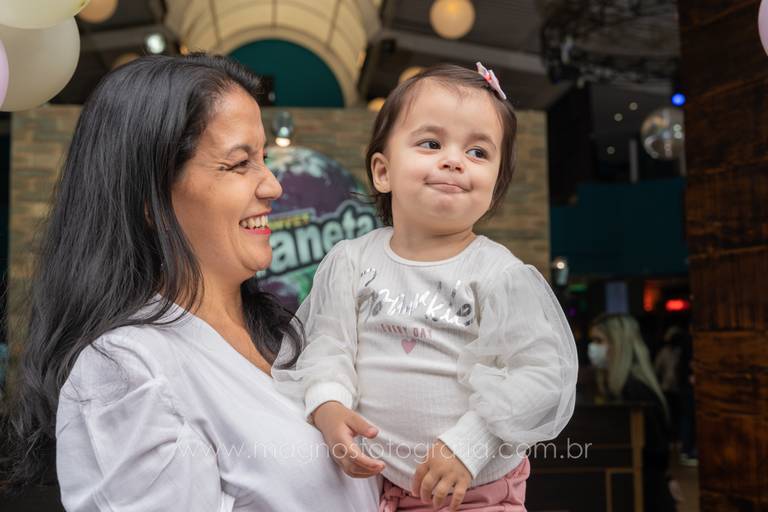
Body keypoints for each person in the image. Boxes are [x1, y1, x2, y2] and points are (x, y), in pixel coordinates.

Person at [2, 54, 379, 511]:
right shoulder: (127, 370)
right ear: (150, 196)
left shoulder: (289, 337)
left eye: (262, 158)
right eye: (239, 164)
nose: (273, 186)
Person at [273, 63, 579, 511]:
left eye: (478, 152)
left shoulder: (498, 274)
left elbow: (541, 375)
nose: (454, 160)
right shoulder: (352, 262)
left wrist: (470, 443)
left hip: (478, 493)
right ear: (383, 171)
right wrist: (328, 404)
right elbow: (327, 347)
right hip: (379, 488)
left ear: (495, 187)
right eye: (432, 143)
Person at [588, 313, 677, 512]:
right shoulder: (617, 386)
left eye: (599, 341)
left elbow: (656, 451)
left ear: (619, 344)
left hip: (646, 492)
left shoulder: (636, 390)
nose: (593, 348)